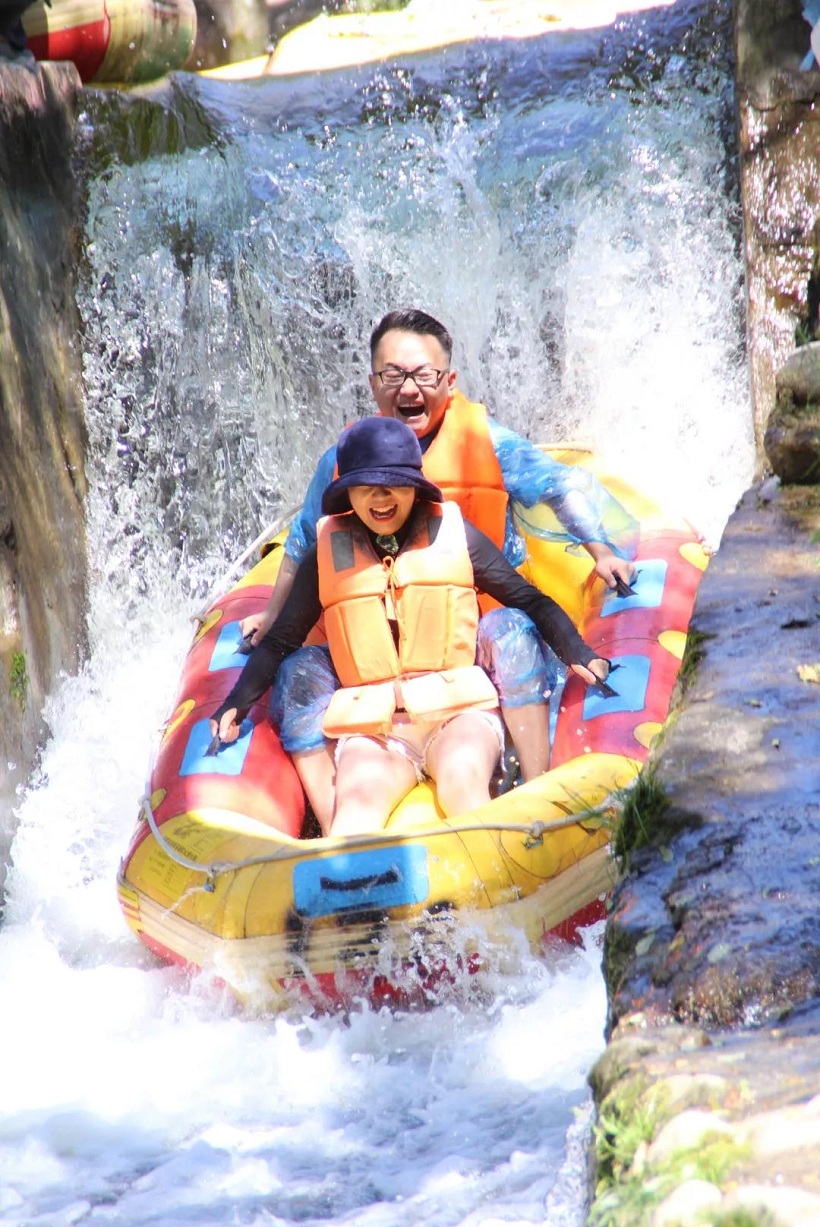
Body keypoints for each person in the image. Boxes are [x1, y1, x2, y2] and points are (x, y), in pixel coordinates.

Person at [243, 307, 636, 794]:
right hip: (374, 655)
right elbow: (305, 540)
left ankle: (535, 790)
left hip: (476, 634)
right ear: (373, 384)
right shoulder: (344, 460)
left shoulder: (487, 443)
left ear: (448, 381)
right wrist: (272, 614)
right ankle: (326, 814)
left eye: (423, 375)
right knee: (296, 674)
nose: (409, 389)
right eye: (393, 375)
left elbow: (558, 488)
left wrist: (601, 551)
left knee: (513, 632)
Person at [211, 417, 612, 838]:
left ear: (415, 488)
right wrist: (234, 704)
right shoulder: (325, 554)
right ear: (347, 493)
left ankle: (533, 801)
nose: (380, 497)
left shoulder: (455, 535)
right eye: (366, 486)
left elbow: (528, 599)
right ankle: (331, 848)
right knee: (355, 812)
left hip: (457, 716)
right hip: (375, 733)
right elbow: (281, 641)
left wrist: (578, 653)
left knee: (462, 781)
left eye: (394, 485)